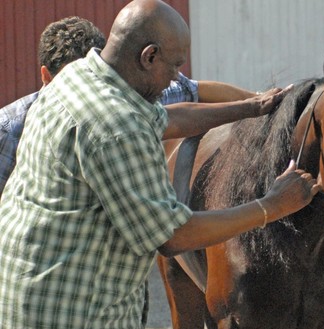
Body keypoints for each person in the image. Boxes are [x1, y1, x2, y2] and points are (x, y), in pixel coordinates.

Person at [0, 1, 320, 329]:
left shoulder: (81, 78)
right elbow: (172, 234)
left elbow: (168, 118)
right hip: (70, 314)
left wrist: (249, 107)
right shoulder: (114, 126)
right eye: (174, 66)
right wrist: (272, 206)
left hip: (32, 295)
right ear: (149, 56)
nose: (175, 79)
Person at [0, 16, 277, 199]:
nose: (86, 94)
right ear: (45, 76)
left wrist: (260, 103)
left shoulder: (127, 98)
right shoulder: (9, 129)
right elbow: (170, 236)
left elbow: (196, 91)